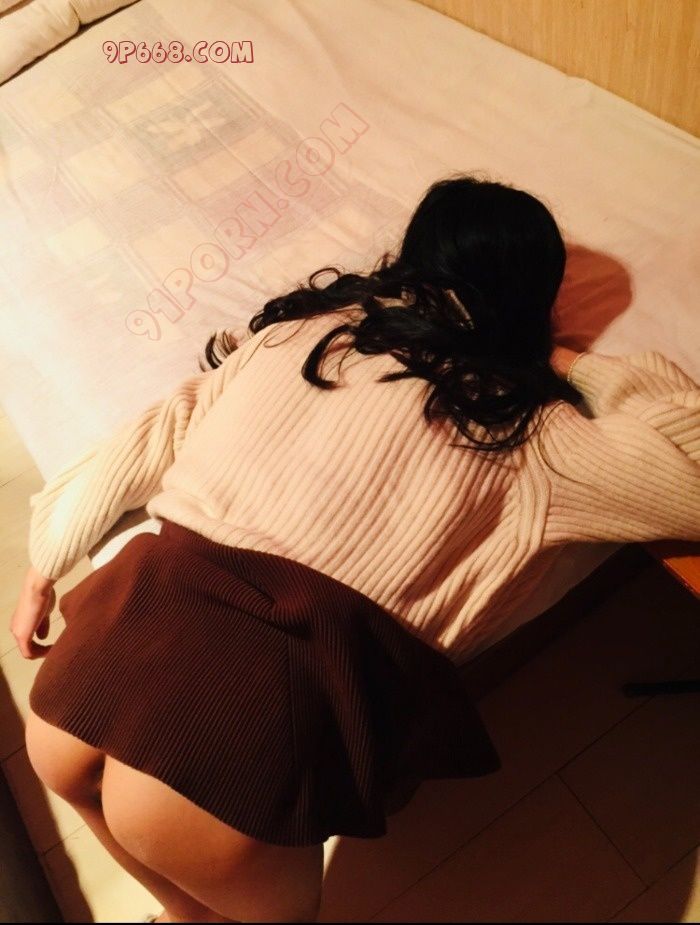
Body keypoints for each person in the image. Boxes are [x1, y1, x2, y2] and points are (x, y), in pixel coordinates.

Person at [11, 175, 700, 923]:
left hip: (103, 652)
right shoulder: (527, 429)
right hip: (243, 711)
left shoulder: (301, 337)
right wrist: (572, 363)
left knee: (176, 895)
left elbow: (160, 427)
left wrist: (47, 558)